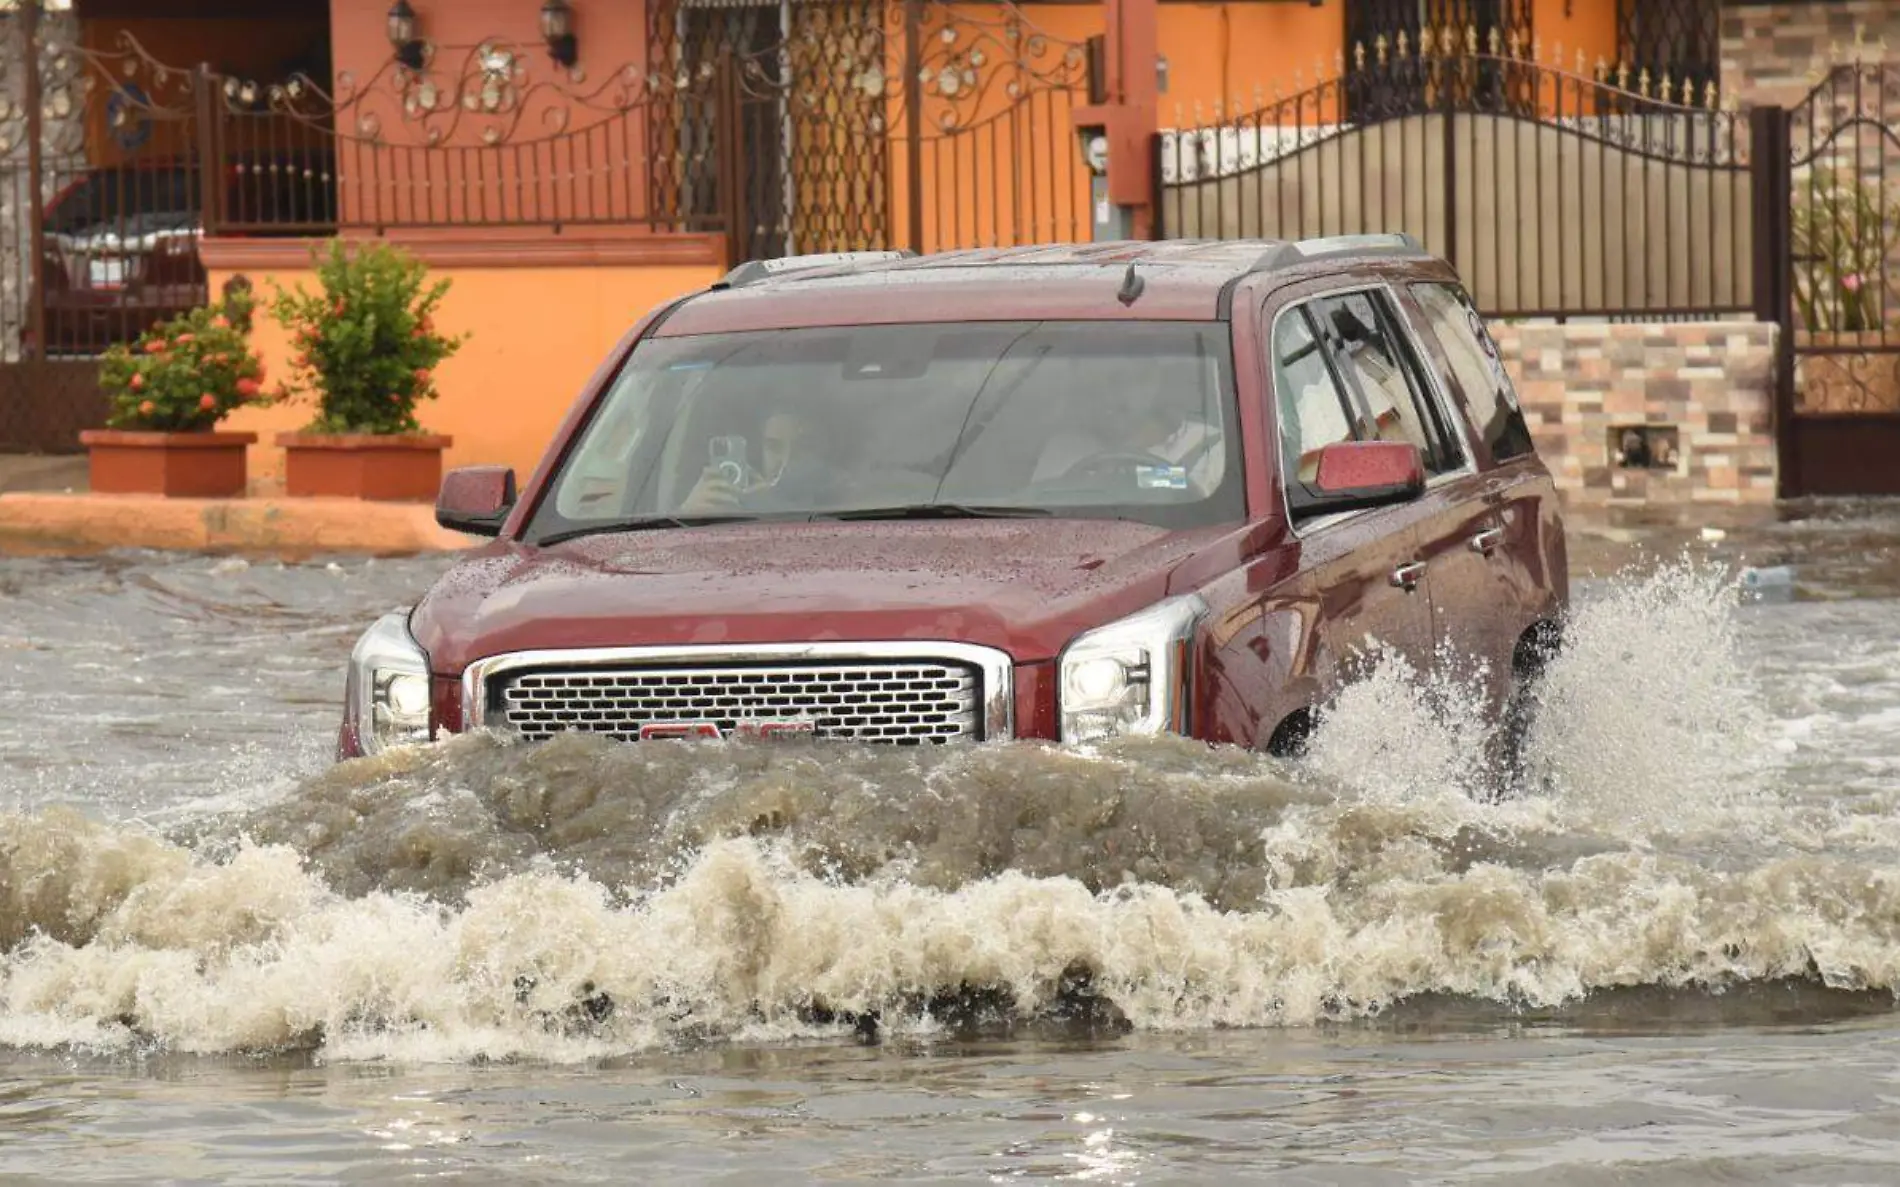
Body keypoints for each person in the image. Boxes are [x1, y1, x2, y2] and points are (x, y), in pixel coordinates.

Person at [678, 409, 821, 513]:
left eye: (801, 448)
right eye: (773, 447)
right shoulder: (725, 500)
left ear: (818, 452)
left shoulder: (836, 497)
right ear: (758, 452)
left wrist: (774, 506)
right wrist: (688, 514)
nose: (785, 460)